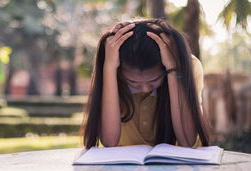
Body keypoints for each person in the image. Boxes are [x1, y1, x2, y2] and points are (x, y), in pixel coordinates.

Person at [82, 18, 211, 149]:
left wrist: (172, 68)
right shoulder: (110, 67)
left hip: (180, 166)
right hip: (125, 165)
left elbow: (187, 141)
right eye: (133, 82)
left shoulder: (190, 66)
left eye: (153, 81)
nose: (144, 88)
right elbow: (109, 141)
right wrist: (109, 67)